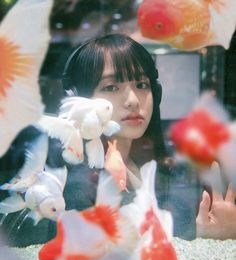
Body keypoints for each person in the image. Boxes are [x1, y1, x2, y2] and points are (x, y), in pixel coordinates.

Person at [0, 33, 199, 246]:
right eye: (111, 87)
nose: (132, 100)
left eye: (141, 85)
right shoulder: (75, 182)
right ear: (79, 99)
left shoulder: (158, 165)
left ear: (156, 92)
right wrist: (197, 231)